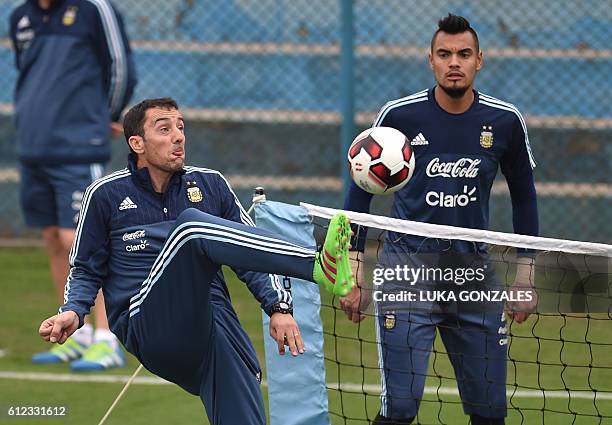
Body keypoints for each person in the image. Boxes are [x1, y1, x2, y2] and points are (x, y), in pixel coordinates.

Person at [37, 97, 354, 424]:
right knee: (191, 228)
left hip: (213, 325)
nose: (178, 136)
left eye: (180, 127)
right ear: (137, 144)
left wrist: (278, 307)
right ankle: (316, 264)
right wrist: (73, 311)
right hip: (148, 324)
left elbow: (249, 250)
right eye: (164, 129)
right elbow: (86, 268)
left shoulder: (211, 184)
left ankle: (317, 266)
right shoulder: (105, 195)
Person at [341, 14, 539, 425]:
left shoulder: (505, 121)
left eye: (463, 54)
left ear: (479, 60)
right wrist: (354, 266)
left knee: (490, 413)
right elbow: (359, 192)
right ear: (430, 60)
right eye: (445, 54)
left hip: (473, 275)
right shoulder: (400, 116)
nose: (454, 62)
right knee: (399, 409)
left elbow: (524, 197)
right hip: (406, 271)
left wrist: (525, 277)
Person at [9, 0, 137, 370]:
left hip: (78, 147)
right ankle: (75, 332)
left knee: (80, 240)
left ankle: (106, 337)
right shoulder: (21, 17)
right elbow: (30, 74)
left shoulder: (94, 9)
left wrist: (107, 116)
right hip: (34, 148)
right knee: (52, 237)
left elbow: (122, 68)